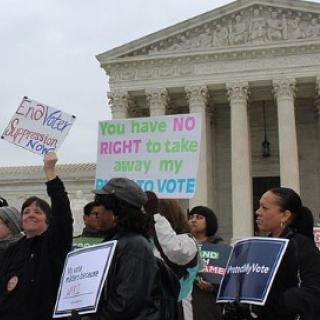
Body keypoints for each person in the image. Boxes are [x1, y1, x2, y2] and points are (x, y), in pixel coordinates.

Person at [224, 187, 320, 320]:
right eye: (259, 207)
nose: (258, 212)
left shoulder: (301, 245)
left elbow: (311, 291)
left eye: (264, 208)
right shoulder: (259, 246)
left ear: (285, 215)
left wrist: (269, 304)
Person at [0, 152, 73, 320]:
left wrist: (50, 171)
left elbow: (62, 214)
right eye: (26, 212)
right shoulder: (13, 249)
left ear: (48, 220)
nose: (30, 215)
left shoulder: (54, 244)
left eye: (38, 212)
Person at [83, 177, 161, 320]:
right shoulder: (118, 242)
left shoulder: (134, 246)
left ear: (116, 212)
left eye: (100, 205)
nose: (96, 212)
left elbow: (126, 304)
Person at [144, 192, 198, 320]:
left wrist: (156, 216)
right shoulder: (147, 242)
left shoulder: (187, 242)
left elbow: (173, 250)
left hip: (177, 309)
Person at [188, 206, 224, 320]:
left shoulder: (220, 248)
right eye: (191, 217)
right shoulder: (182, 244)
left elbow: (228, 283)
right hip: (186, 302)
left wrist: (212, 287)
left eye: (199, 217)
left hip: (208, 305)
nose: (193, 220)